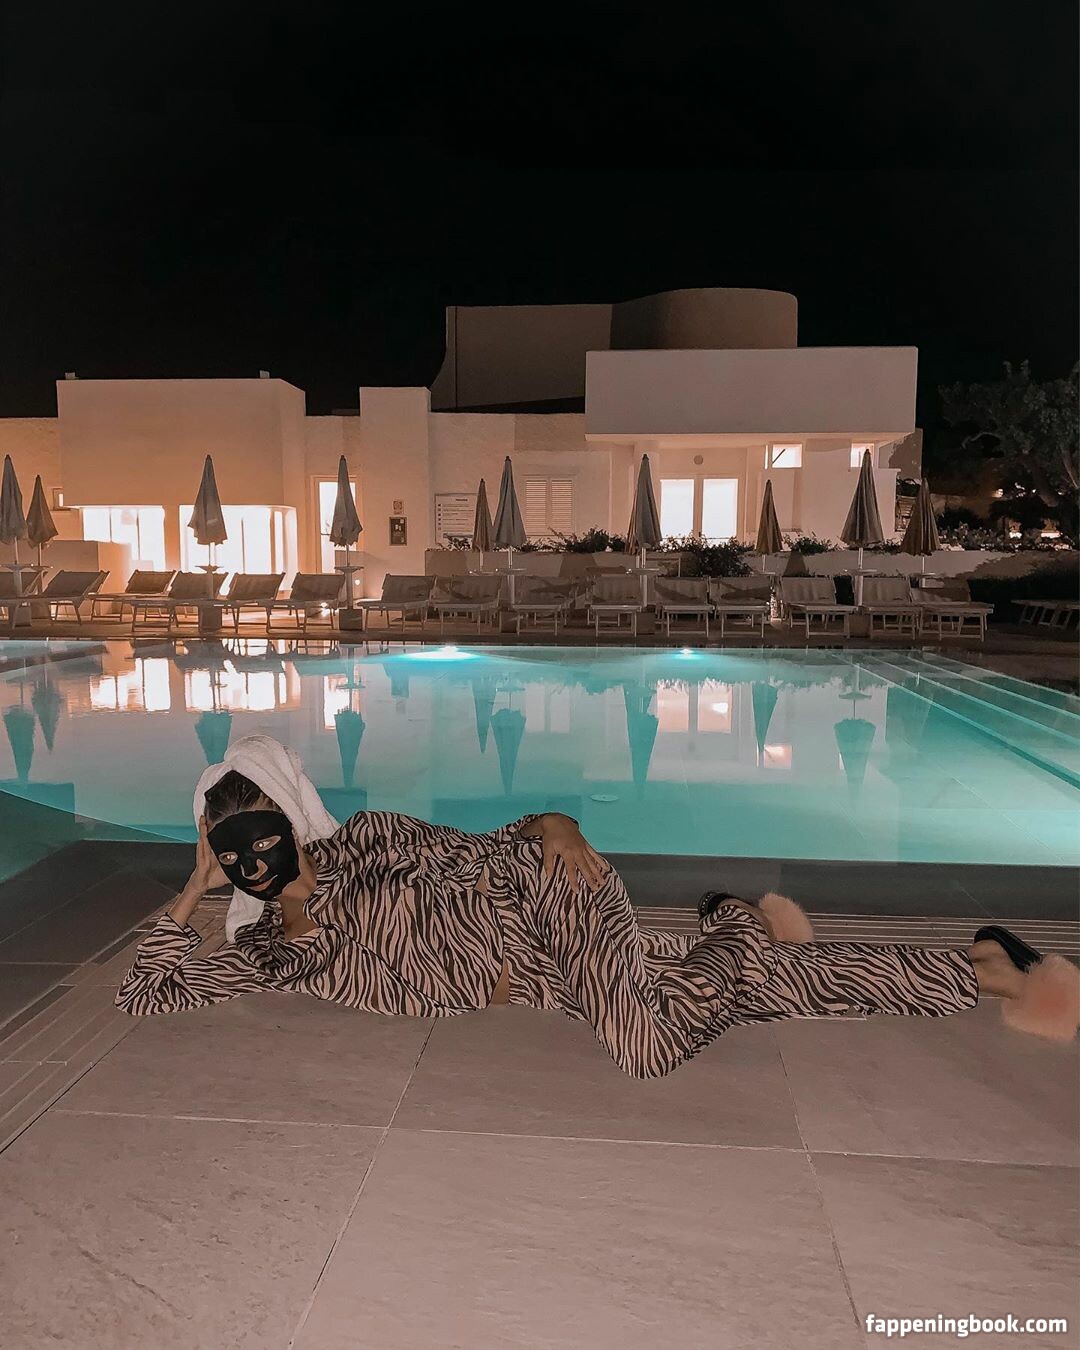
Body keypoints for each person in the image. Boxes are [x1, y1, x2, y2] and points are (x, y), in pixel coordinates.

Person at [115, 769, 1080, 1078]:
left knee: (646, 1044)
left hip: (550, 894)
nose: (251, 858)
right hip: (542, 976)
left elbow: (484, 845)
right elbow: (143, 993)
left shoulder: (371, 839)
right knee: (769, 994)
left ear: (290, 816)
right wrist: (193, 890)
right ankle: (976, 967)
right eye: (228, 849)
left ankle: (739, 927)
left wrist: (554, 821)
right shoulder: (265, 949)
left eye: (259, 832)